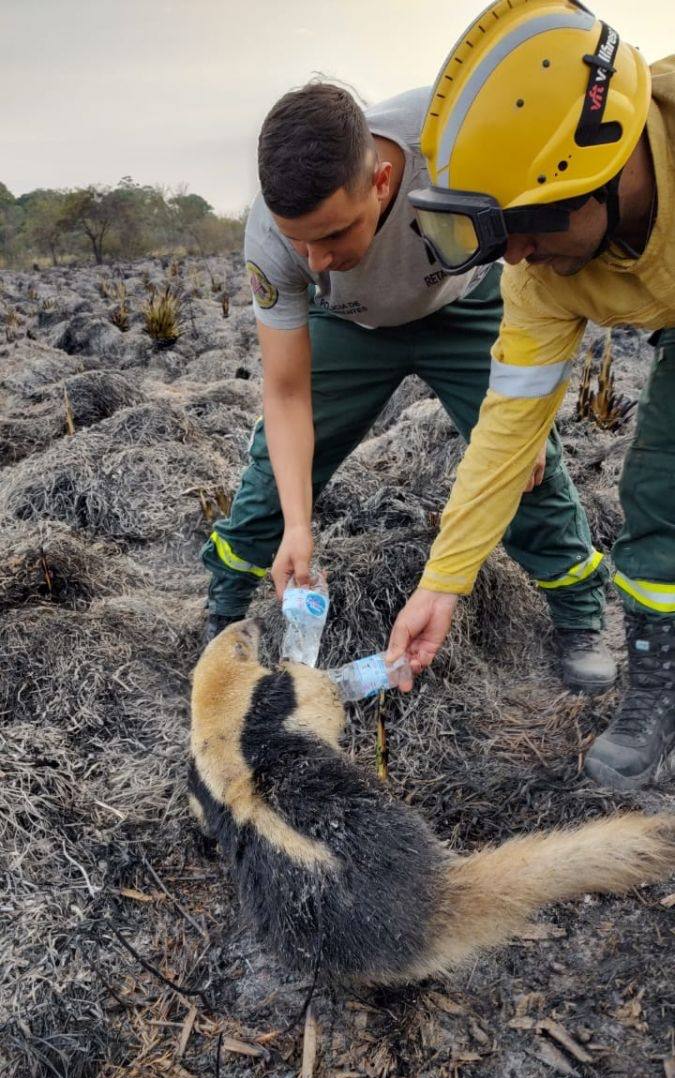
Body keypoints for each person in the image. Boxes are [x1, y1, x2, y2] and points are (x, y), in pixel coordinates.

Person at [202, 80, 617, 692]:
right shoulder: (272, 235)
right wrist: (299, 526)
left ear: (383, 181)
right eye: (301, 241)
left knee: (526, 467)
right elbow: (286, 392)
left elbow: (541, 267)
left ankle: (579, 616)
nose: (314, 260)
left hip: (465, 304)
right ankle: (224, 605)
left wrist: (524, 423)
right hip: (350, 323)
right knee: (274, 476)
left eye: (334, 235)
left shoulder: (455, 140)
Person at [388, 0, 674, 792]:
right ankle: (661, 691)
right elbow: (505, 431)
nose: (512, 256)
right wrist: (440, 585)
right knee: (658, 489)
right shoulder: (538, 277)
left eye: (521, 225)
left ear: (602, 174)